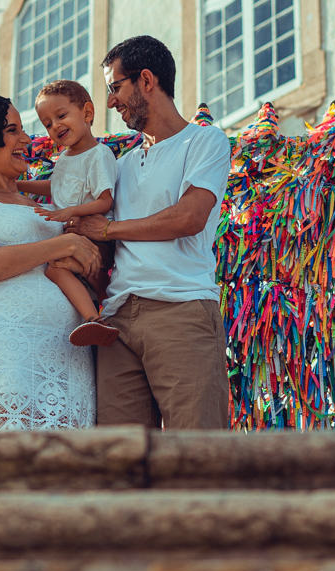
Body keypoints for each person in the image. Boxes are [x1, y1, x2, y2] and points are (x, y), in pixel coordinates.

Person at [67, 36, 232, 429]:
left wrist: (109, 228)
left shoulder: (204, 140)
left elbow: (189, 217)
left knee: (197, 450)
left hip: (181, 311)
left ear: (145, 80)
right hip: (116, 323)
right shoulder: (120, 166)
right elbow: (107, 247)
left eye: (114, 87)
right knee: (119, 456)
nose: (110, 102)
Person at [0, 90, 100, 429]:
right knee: (14, 450)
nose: (26, 139)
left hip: (69, 350)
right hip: (11, 346)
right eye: (13, 131)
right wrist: (62, 244)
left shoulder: (49, 206)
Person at [17, 80, 120, 348]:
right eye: (47, 124)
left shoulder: (98, 155)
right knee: (57, 270)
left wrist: (71, 212)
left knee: (57, 268)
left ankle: (95, 318)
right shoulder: (65, 158)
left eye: (61, 115)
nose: (55, 126)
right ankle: (99, 313)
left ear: (87, 113)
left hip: (95, 238)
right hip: (73, 236)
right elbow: (55, 186)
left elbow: (105, 201)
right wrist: (17, 186)